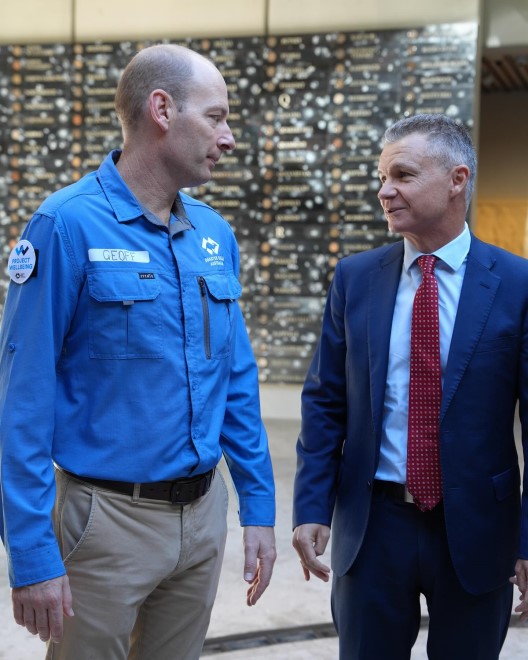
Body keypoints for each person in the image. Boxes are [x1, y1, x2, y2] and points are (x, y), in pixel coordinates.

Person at [0, 44, 276, 660]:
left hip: (203, 517)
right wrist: (31, 551)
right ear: (162, 110)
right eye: (217, 116)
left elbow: (235, 380)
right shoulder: (65, 226)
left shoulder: (214, 235)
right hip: (105, 522)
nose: (228, 138)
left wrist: (257, 506)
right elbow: (22, 400)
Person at [292, 113, 528, 659]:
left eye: (401, 174)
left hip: (475, 529)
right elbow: (325, 401)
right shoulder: (355, 278)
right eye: (380, 177)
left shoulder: (516, 285)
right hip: (374, 526)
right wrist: (310, 506)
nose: (384, 191)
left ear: (456, 179)